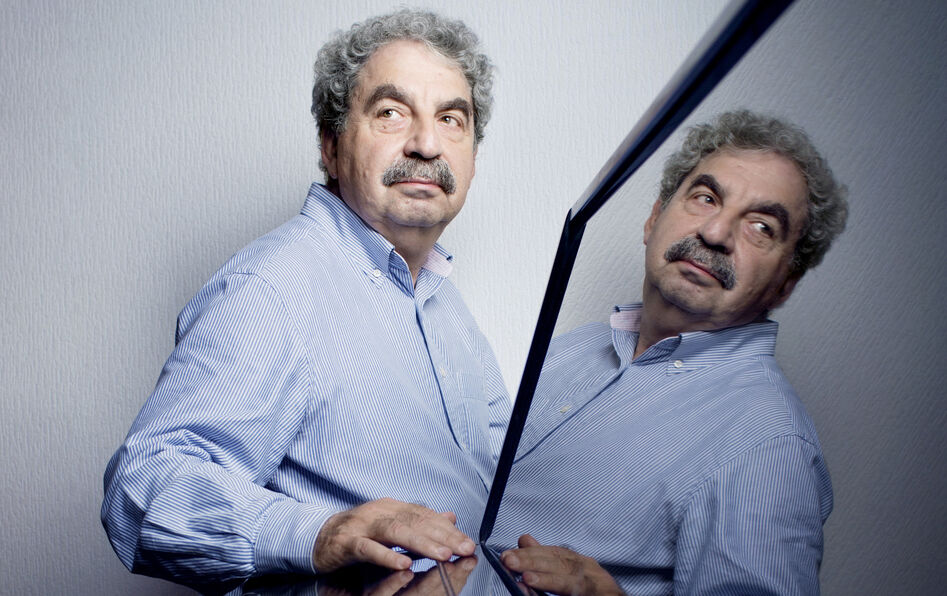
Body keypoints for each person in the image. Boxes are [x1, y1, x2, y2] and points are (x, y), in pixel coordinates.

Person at [101, 9, 510, 590]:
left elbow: (497, 487)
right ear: (331, 145)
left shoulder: (447, 309)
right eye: (391, 113)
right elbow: (142, 488)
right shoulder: (274, 287)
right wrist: (319, 534)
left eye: (451, 119)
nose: (426, 144)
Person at [493, 110, 848, 595]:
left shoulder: (770, 445)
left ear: (786, 282)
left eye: (761, 227)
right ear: (654, 217)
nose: (716, 233)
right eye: (706, 198)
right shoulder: (580, 346)